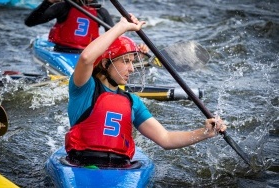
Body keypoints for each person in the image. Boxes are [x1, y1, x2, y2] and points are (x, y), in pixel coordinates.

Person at [65, 13, 227, 167]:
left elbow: (166, 139)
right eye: (126, 61)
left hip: (120, 168)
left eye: (132, 62)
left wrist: (205, 132)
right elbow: (86, 58)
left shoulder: (132, 101)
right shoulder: (84, 88)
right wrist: (122, 27)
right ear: (106, 63)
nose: (132, 69)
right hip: (82, 165)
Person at [24, 0, 114, 53]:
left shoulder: (101, 12)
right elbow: (30, 22)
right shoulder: (64, 7)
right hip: (64, 52)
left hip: (86, 54)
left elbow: (114, 38)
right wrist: (47, 2)